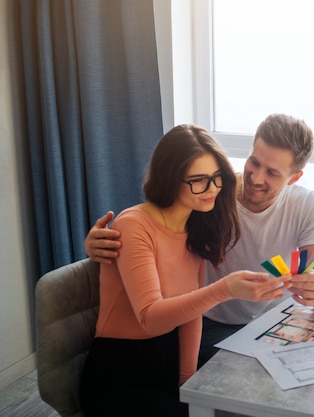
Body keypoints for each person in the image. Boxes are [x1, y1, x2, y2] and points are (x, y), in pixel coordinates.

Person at [84, 114, 314, 367]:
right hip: (211, 322)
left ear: (294, 178)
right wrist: (101, 241)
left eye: (272, 173)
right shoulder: (213, 194)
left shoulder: (306, 205)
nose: (256, 178)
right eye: (254, 162)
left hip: (276, 322)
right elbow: (156, 223)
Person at [79, 125, 291, 417]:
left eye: (217, 177)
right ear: (169, 179)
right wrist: (225, 289)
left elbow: (190, 315)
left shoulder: (196, 227)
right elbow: (150, 318)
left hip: (169, 358)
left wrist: (189, 382)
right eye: (199, 181)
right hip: (121, 370)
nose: (213, 189)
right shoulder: (134, 225)